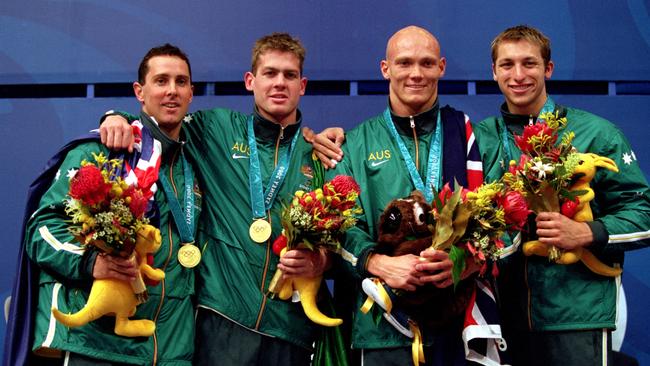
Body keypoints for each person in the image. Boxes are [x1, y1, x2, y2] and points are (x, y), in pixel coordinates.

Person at [100, 33, 333, 366]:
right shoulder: (215, 129)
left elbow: (339, 244)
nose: (279, 83)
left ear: (303, 85)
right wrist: (116, 116)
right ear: (250, 81)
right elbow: (160, 118)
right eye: (269, 73)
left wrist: (321, 261)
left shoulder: (318, 157)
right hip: (221, 319)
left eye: (289, 75)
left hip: (290, 328)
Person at [4, 44, 199, 366]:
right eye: (161, 81)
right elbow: (41, 230)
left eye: (181, 82)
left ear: (191, 93)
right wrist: (89, 262)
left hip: (169, 346)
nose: (171, 91)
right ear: (140, 91)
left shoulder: (195, 161)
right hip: (97, 343)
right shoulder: (100, 152)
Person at [473, 25, 650, 365]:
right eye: (507, 65)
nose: (518, 75)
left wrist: (587, 232)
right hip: (501, 318)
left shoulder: (596, 133)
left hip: (577, 314)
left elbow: (643, 211)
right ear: (494, 72)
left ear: (548, 69)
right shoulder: (478, 139)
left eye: (530, 63)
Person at [323, 26, 485, 365]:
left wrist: (461, 263)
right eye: (404, 63)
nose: (416, 73)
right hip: (380, 327)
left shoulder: (469, 137)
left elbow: (496, 221)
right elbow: (339, 226)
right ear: (386, 69)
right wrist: (377, 262)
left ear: (441, 67)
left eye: (426, 64)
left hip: (459, 326)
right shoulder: (353, 145)